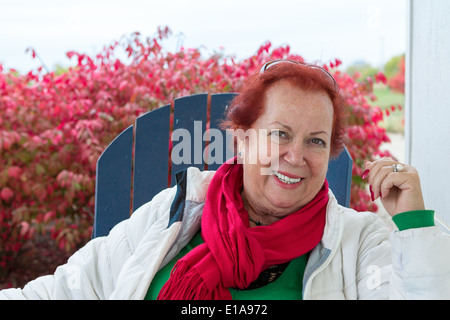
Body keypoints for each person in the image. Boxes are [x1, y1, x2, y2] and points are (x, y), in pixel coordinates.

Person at [1, 60, 449, 300]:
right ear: (242, 139)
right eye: (279, 134)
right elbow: (73, 289)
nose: (295, 157)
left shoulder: (357, 241)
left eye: (316, 141)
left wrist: (413, 226)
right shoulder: (174, 214)